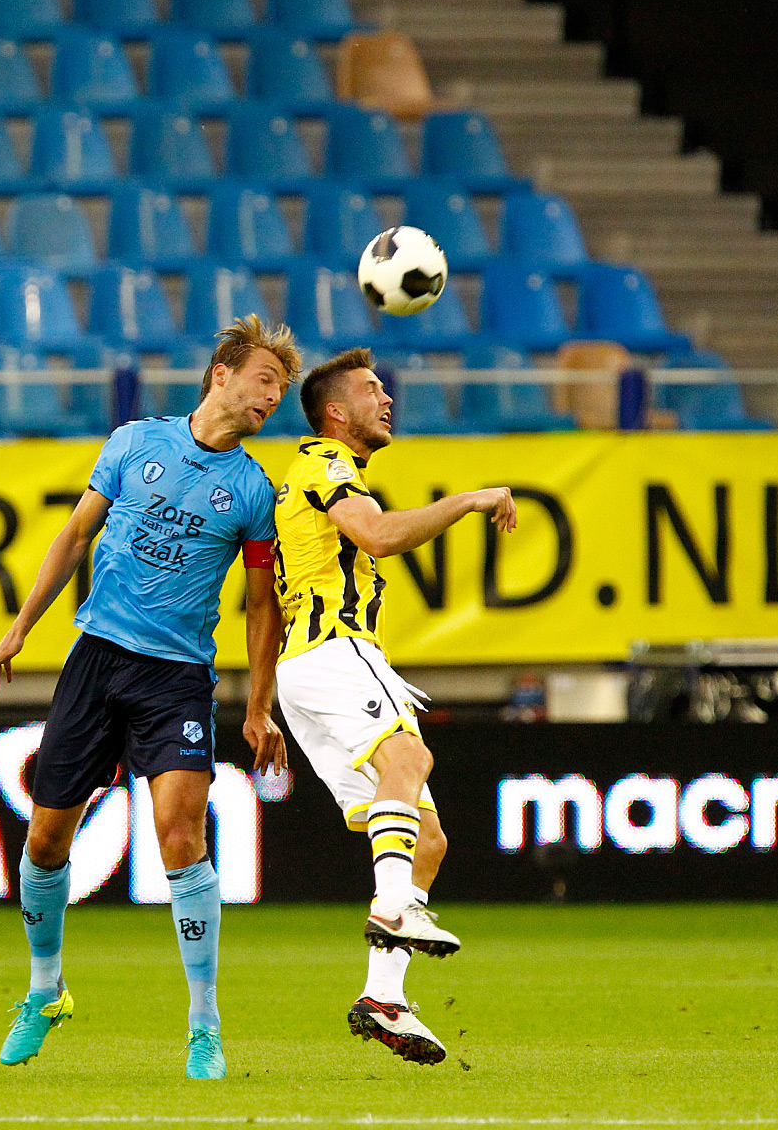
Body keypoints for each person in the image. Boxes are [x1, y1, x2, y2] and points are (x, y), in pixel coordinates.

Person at [0, 317, 300, 1080]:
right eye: (262, 381)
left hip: (176, 677)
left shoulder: (254, 493)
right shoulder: (131, 444)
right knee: (46, 843)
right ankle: (45, 990)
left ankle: (204, 1023)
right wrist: (19, 629)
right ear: (221, 374)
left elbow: (262, 606)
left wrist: (259, 705)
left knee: (179, 836)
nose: (270, 398)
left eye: (280, 392)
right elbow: (74, 537)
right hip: (97, 660)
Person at [272, 347, 518, 1066]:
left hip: (305, 669)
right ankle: (393, 908)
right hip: (334, 650)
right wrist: (470, 500)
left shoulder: (308, 476)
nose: (388, 399)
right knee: (410, 755)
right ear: (335, 413)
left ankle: (383, 996)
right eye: (371, 390)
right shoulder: (325, 463)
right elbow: (378, 536)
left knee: (427, 840)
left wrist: (261, 706)